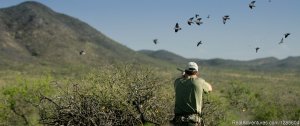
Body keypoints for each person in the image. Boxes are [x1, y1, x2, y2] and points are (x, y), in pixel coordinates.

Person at [172, 62, 212, 126]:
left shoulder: (177, 81)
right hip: (193, 120)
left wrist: (183, 76)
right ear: (196, 72)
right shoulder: (200, 81)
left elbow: (179, 83)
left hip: (178, 120)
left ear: (185, 71)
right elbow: (210, 88)